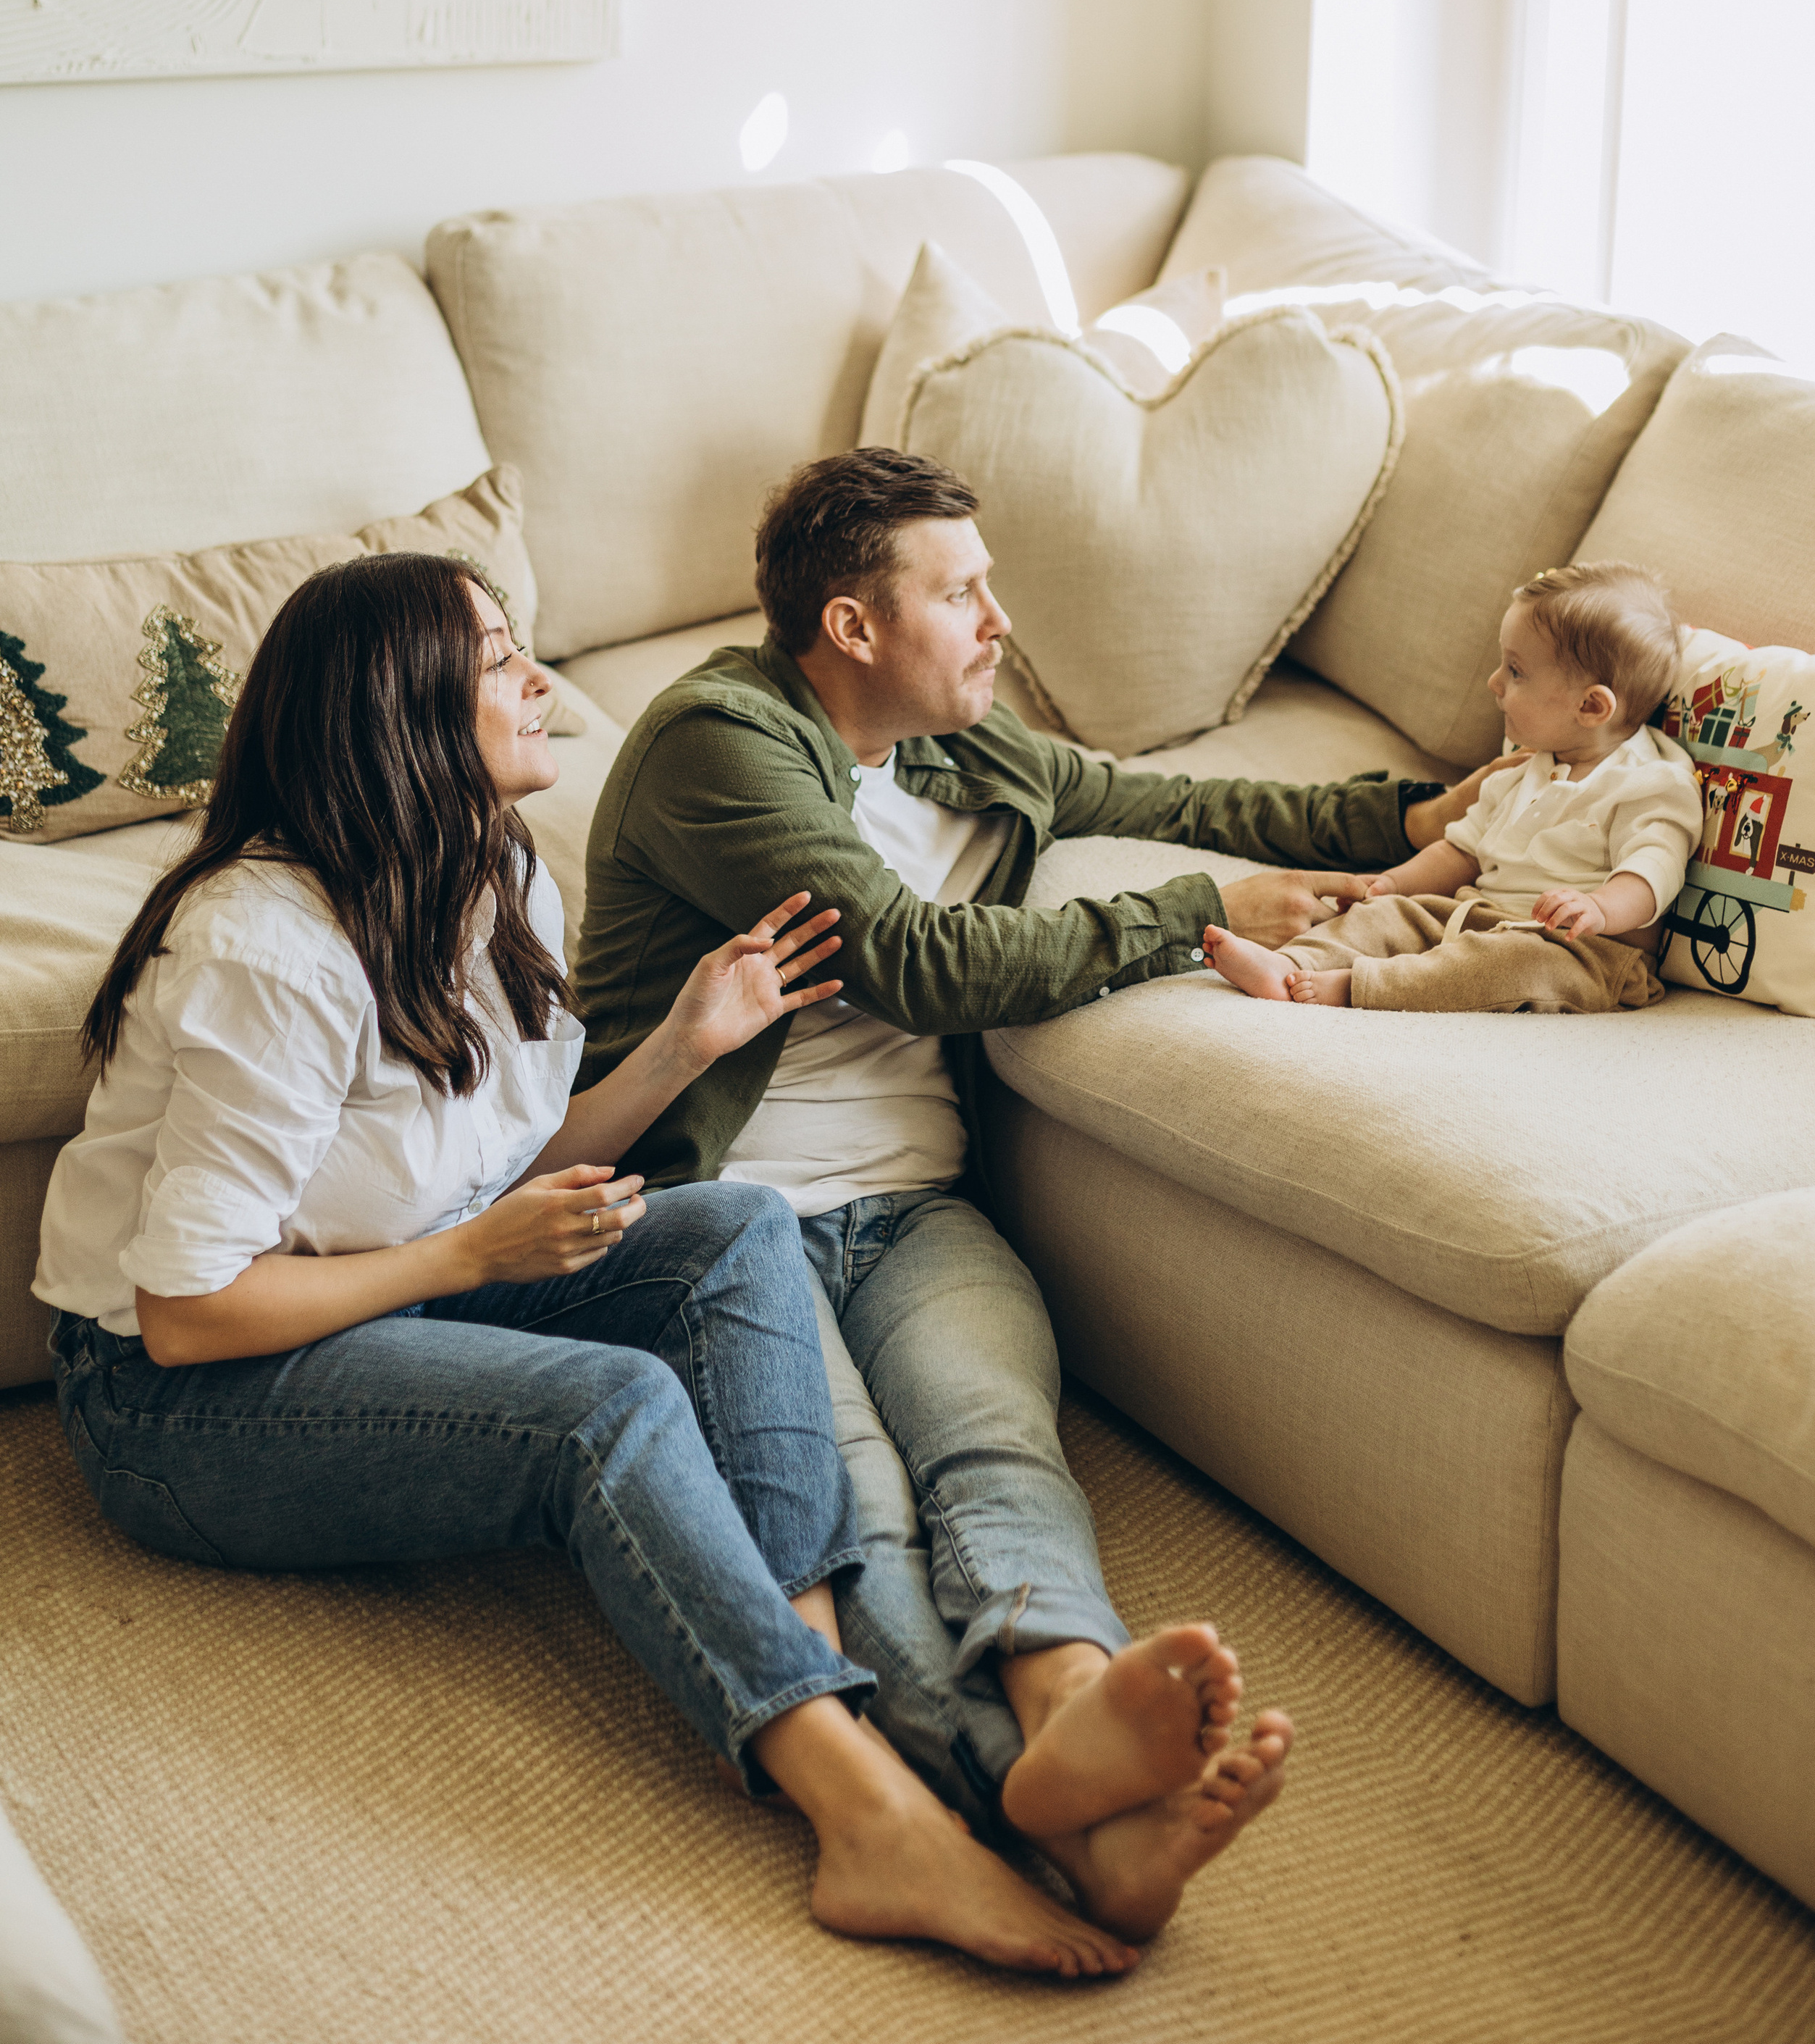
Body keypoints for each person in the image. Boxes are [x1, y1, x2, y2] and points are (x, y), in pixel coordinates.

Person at [33, 553, 1145, 1982]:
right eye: (501, 664)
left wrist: (685, 1045)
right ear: (403, 712)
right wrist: (464, 1259)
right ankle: (864, 1810)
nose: (543, 686)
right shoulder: (261, 953)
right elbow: (190, 1316)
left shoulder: (488, 871)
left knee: (733, 1224)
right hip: (172, 1402)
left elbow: (497, 1159)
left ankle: (828, 1681)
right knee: (605, 1408)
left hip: (380, 1277)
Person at [571, 449, 1510, 1938]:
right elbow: (915, 964)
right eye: (957, 592)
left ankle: (1070, 1697)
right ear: (851, 628)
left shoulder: (959, 749)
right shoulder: (719, 742)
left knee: (996, 1446)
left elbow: (1169, 799)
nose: (997, 618)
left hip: (915, 1207)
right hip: (727, 1227)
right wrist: (1185, 915)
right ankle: (1041, 1806)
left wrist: (1413, 820)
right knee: (858, 1503)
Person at [1206, 561, 1702, 1011]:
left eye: (1515, 671)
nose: (1493, 683)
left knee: (1504, 965)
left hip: (1582, 953)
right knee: (1390, 916)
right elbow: (1461, 850)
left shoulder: (1651, 783)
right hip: (1468, 913)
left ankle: (1358, 987)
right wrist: (1391, 884)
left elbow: (1652, 870)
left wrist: (1599, 906)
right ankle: (1292, 964)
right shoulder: (1524, 770)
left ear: (1592, 708)